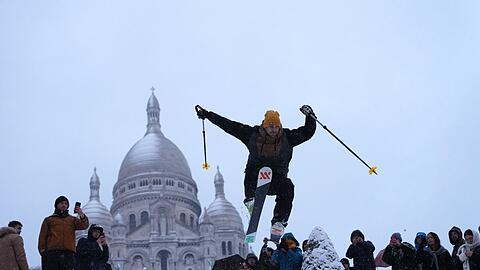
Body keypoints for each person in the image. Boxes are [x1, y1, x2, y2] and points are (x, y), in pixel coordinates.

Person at [196, 105, 316, 226]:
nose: (273, 129)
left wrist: (310, 116)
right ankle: (250, 200)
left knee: (288, 185)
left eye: (276, 127)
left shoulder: (288, 138)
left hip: (276, 182)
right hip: (256, 181)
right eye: (270, 126)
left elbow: (307, 132)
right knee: (253, 168)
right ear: (265, 126)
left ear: (280, 127)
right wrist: (207, 114)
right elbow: (229, 125)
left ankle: (279, 221)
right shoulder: (252, 135)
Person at [38, 196, 89, 270]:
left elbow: (84, 225)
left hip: (68, 254)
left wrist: (81, 214)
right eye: (62, 203)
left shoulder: (72, 220)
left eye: (66, 203)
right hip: (52, 254)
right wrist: (43, 252)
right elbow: (42, 237)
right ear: (56, 205)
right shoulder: (49, 220)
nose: (64, 205)